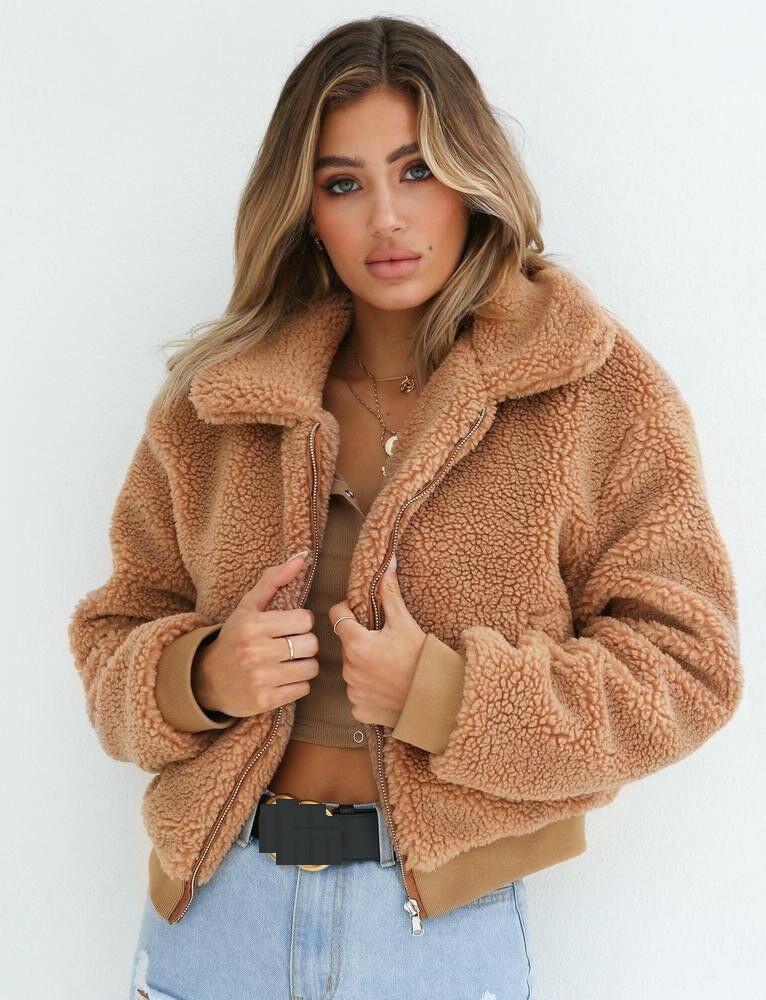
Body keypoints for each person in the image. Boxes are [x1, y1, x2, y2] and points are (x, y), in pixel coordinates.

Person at [67, 15, 743, 1000]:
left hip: (438, 939)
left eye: (417, 170)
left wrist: (446, 692)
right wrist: (203, 674)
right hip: (215, 918)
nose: (386, 218)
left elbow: (689, 668)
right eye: (344, 183)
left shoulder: (591, 389)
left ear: (472, 178)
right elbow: (110, 639)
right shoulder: (219, 401)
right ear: (307, 210)